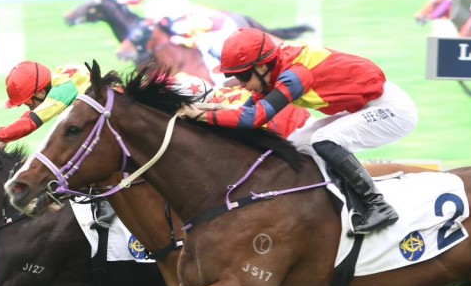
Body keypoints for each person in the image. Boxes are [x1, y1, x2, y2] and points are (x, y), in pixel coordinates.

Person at [178, 27, 418, 235]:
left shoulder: (294, 75)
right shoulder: (272, 70)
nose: (240, 83)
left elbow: (255, 118)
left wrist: (199, 115)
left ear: (262, 67)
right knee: (298, 143)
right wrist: (207, 109)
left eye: (242, 75)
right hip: (364, 107)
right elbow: (247, 111)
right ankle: (336, 201)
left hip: (392, 110)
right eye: (234, 76)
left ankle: (377, 205)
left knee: (324, 139)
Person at [0, 61, 116, 227]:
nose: (29, 107)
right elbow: (31, 116)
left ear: (40, 92)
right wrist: (6, 137)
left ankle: (107, 198)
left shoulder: (63, 92)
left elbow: (31, 122)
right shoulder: (59, 79)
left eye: (29, 102)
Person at [114, 0, 238, 78]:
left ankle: (216, 55)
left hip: (179, 15)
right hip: (174, 13)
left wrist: (123, 0)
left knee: (190, 37)